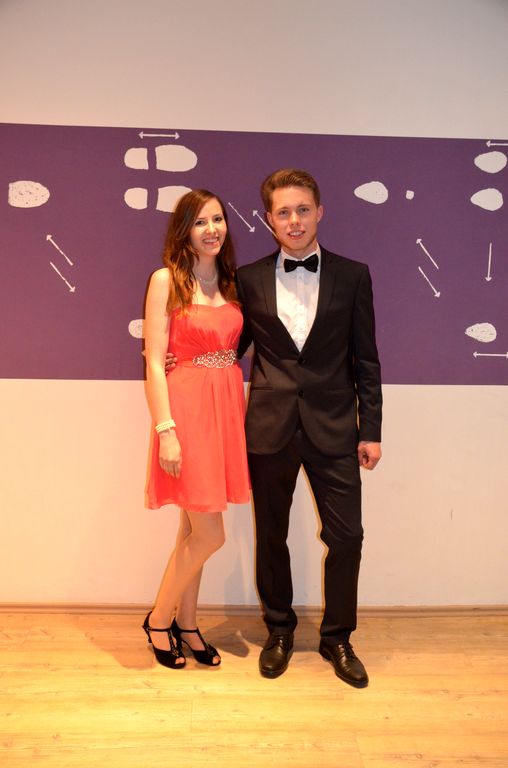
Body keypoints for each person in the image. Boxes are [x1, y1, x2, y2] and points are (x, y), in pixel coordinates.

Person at [235, 169, 382, 687]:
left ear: (319, 211)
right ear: (269, 219)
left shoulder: (354, 275)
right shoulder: (248, 278)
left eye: (302, 209)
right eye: (283, 212)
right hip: (269, 427)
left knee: (347, 537)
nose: (293, 220)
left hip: (335, 427)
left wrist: (371, 430)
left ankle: (337, 637)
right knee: (270, 534)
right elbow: (230, 349)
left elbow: (367, 359)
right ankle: (279, 631)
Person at [143, 189, 250, 670]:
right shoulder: (166, 280)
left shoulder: (230, 281)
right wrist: (166, 430)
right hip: (185, 413)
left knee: (193, 529)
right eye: (201, 222)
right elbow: (153, 362)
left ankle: (187, 624)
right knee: (210, 534)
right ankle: (158, 620)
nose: (212, 229)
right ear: (183, 229)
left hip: (225, 410)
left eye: (218, 219)